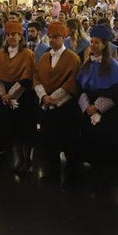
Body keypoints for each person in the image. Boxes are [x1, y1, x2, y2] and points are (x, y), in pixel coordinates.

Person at [34, 21, 82, 184]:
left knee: (69, 144)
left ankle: (71, 177)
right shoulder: (44, 57)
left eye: (56, 37)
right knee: (49, 143)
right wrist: (43, 96)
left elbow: (72, 82)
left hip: (65, 108)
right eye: (50, 37)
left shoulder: (72, 58)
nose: (52, 40)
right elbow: (37, 78)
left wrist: (53, 98)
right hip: (47, 108)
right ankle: (52, 173)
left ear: (63, 37)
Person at [75, 24, 118, 173]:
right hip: (88, 109)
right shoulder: (87, 64)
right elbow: (80, 87)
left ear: (104, 45)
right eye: (91, 41)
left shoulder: (113, 66)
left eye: (96, 42)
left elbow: (116, 92)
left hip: (107, 114)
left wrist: (97, 107)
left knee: (104, 147)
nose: (92, 45)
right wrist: (87, 106)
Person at [0, 21, 37, 174]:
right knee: (12, 130)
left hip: (23, 97)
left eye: (14, 34)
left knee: (25, 130)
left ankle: (27, 159)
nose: (11, 37)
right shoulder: (1, 54)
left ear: (20, 36)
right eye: (8, 34)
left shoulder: (27, 54)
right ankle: (18, 158)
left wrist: (11, 95)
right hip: (5, 97)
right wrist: (3, 95)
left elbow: (27, 78)